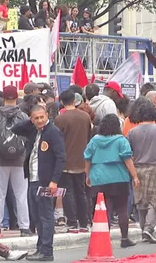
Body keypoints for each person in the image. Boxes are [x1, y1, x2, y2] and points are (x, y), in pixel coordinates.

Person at [12, 105, 66, 261]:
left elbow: (61, 157)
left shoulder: (53, 132)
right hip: (33, 179)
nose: (40, 120)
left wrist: (54, 180)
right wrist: (31, 123)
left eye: (42, 117)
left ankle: (47, 251)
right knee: (36, 216)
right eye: (36, 118)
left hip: (46, 181)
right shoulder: (33, 130)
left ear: (47, 115)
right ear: (31, 119)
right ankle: (40, 248)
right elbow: (16, 128)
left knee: (46, 216)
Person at [84, 114, 138, 248]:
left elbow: (87, 158)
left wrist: (87, 175)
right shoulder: (121, 140)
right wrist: (135, 176)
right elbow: (127, 159)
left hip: (99, 177)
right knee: (122, 208)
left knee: (104, 210)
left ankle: (104, 239)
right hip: (119, 177)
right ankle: (124, 238)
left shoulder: (94, 140)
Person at [0, 85, 32, 237]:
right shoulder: (24, 116)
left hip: (0, 160)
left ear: (3, 98)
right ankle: (24, 226)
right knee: (21, 194)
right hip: (20, 161)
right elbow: (29, 138)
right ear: (16, 98)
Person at [127, 100, 156, 244]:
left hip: (137, 168)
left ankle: (144, 228)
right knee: (155, 200)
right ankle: (148, 229)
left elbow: (128, 153)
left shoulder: (132, 132)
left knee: (141, 200)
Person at [55, 90, 91, 233]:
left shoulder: (60, 119)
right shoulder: (85, 116)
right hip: (82, 160)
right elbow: (89, 136)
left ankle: (71, 222)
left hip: (65, 161)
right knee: (81, 192)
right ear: (75, 101)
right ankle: (84, 222)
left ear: (62, 102)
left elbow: (57, 141)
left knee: (67, 192)